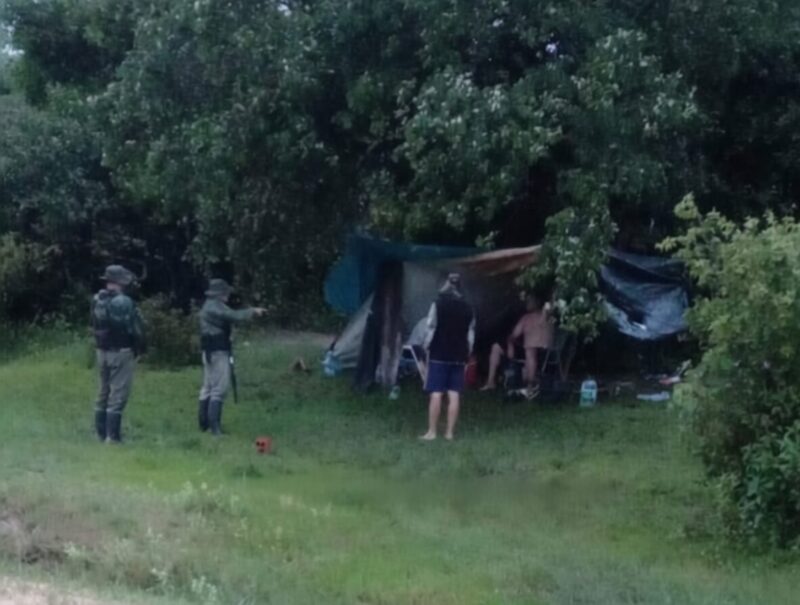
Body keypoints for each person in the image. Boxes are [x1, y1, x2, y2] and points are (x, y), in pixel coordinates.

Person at [198, 279, 266, 436]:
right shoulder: (215, 306)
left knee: (207, 387)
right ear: (220, 294)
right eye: (226, 292)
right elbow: (233, 316)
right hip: (218, 351)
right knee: (219, 388)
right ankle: (215, 428)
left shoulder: (210, 304)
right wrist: (253, 311)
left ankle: (204, 424)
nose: (228, 295)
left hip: (210, 350)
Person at [91, 264, 146, 444]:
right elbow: (135, 329)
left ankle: (100, 434)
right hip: (121, 351)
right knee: (118, 392)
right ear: (121, 281)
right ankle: (112, 437)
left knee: (103, 391)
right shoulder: (124, 302)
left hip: (102, 350)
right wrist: (140, 347)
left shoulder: (98, 298)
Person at [420, 273, 475, 441]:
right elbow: (470, 333)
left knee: (436, 393)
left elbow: (430, 327)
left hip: (439, 353)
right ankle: (449, 433)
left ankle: (432, 432)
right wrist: (467, 352)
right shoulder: (468, 308)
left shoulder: (438, 304)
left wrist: (426, 347)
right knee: (454, 393)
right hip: (459, 355)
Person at [481, 294, 554, 396]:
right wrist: (510, 344)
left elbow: (545, 334)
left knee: (530, 351)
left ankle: (530, 385)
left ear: (537, 303)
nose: (527, 303)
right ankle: (490, 382)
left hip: (540, 352)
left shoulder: (544, 317)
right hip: (533, 351)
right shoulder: (528, 317)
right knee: (496, 347)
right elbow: (514, 335)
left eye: (529, 301)